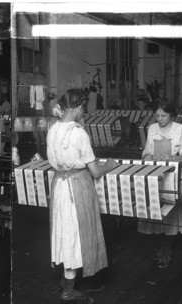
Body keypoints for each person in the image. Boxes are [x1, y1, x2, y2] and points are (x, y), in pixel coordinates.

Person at [47, 89, 118, 304]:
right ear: (78, 108)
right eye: (83, 109)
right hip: (77, 188)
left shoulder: (53, 128)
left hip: (60, 186)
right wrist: (109, 165)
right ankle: (68, 292)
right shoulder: (79, 133)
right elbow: (95, 171)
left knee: (65, 233)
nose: (84, 113)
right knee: (76, 237)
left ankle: (65, 280)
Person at [139, 100, 182, 269]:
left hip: (171, 175)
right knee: (155, 210)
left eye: (164, 115)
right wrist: (147, 157)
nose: (160, 119)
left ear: (172, 115)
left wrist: (170, 157)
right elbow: (146, 150)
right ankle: (160, 246)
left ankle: (167, 250)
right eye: (157, 115)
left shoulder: (179, 129)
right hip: (155, 175)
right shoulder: (152, 129)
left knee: (169, 212)